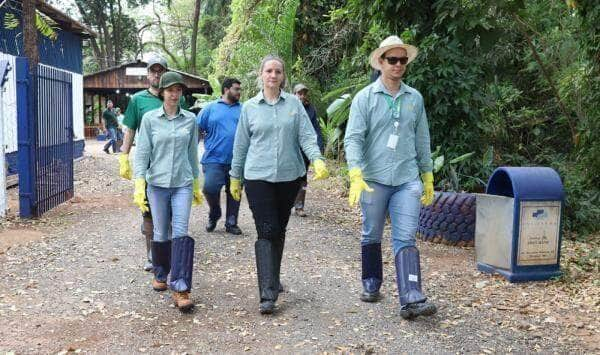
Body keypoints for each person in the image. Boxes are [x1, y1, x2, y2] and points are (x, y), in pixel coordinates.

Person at [344, 35, 437, 319]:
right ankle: (371, 282)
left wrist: (427, 173)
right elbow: (354, 138)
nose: (398, 65)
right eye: (392, 60)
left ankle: (411, 297)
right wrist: (355, 172)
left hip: (407, 179)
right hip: (373, 179)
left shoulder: (414, 98)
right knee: (371, 232)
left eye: (402, 60)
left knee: (406, 236)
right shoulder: (365, 98)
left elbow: (422, 139)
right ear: (381, 63)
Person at [229, 55, 330, 314]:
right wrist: (235, 176)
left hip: (289, 177)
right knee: (266, 230)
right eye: (269, 71)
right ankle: (267, 293)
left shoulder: (294, 105)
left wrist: (317, 160)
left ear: (283, 76)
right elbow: (241, 145)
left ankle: (272, 277)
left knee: (280, 229)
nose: (273, 75)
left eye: (278, 71)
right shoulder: (250, 108)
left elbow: (307, 137)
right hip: (258, 178)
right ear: (261, 75)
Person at [133, 72, 202, 311]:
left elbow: (193, 153)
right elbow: (142, 153)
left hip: (182, 183)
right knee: (161, 232)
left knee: (181, 232)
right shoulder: (150, 119)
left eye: (179, 90)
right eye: (170, 90)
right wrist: (139, 182)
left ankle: (181, 288)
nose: (174, 94)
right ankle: (161, 274)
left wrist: (195, 182)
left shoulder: (190, 119)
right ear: (162, 92)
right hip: (158, 185)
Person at [119, 56, 186, 272]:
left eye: (161, 70)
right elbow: (130, 129)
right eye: (153, 71)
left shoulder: (177, 98)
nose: (157, 74)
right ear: (148, 74)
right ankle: (152, 254)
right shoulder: (138, 100)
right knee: (149, 211)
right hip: (149, 166)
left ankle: (171, 250)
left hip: (174, 165)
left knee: (172, 213)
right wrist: (124, 156)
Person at [197, 78, 243, 235]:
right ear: (226, 89)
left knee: (234, 191)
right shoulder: (210, 108)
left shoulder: (243, 109)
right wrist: (192, 149)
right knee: (209, 188)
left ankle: (231, 222)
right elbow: (197, 128)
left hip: (237, 160)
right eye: (236, 89)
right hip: (213, 159)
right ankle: (215, 213)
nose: (239, 92)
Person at [292, 83, 324, 217]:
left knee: (303, 178)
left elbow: (316, 128)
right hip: (291, 148)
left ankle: (299, 206)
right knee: (289, 177)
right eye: (299, 93)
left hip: (306, 149)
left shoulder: (310, 109)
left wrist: (319, 146)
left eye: (304, 93)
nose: (302, 96)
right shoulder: (288, 106)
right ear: (294, 94)